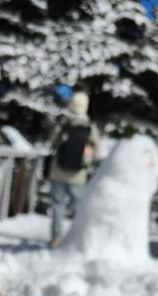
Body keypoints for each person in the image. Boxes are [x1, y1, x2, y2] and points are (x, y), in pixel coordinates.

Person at [48, 91, 100, 248]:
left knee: (58, 205)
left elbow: (52, 143)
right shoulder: (90, 127)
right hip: (78, 174)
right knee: (78, 207)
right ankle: (77, 239)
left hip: (58, 171)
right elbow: (96, 150)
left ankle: (56, 238)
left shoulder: (63, 124)